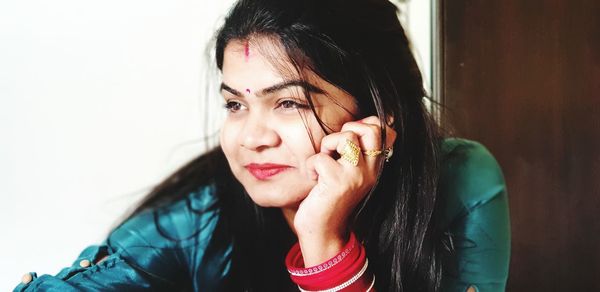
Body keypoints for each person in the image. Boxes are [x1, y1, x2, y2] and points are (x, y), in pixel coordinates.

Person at [14, 0, 510, 291]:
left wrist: (326, 244)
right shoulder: (201, 217)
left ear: (381, 113)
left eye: (289, 104)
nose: (251, 138)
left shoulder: (462, 182)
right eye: (235, 105)